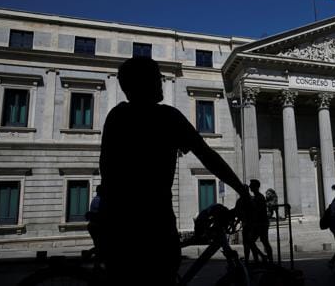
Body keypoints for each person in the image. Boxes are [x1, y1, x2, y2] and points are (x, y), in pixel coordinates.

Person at [98, 57, 249, 285]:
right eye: (157, 77)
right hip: (154, 220)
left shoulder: (116, 116)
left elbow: (106, 169)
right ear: (146, 82)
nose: (161, 81)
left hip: (115, 220)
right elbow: (208, 156)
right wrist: (242, 190)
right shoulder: (166, 118)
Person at [249, 179, 274, 263]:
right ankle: (264, 257)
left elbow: (257, 211)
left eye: (251, 185)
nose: (250, 187)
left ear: (256, 187)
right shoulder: (256, 197)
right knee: (253, 241)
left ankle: (269, 259)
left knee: (264, 241)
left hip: (261, 223)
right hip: (258, 223)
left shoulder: (259, 197)